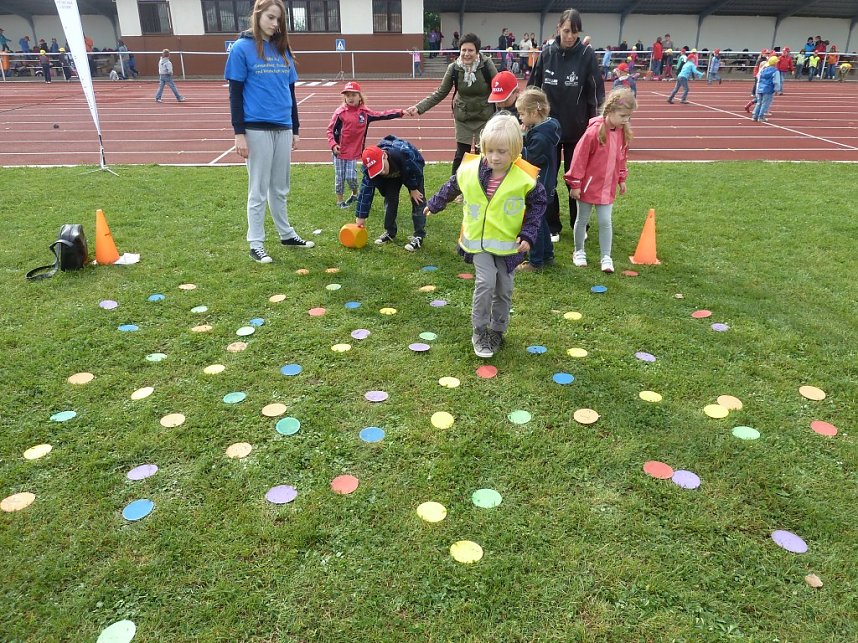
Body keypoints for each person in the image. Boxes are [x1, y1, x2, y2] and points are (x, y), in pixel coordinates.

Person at [423, 113, 546, 358]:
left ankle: (497, 330)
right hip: (477, 242)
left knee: (503, 288)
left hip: (508, 246)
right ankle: (479, 330)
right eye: (489, 150)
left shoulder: (524, 179)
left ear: (515, 151)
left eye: (501, 151)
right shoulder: (470, 169)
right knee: (486, 282)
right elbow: (453, 185)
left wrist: (529, 234)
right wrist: (436, 203)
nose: (494, 157)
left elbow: (539, 204)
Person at [225, 0, 314, 264]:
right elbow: (235, 94)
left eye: (279, 20)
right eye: (271, 18)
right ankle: (256, 242)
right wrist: (239, 133)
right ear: (258, 15)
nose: (275, 24)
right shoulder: (242, 49)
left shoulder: (282, 50)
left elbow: (291, 92)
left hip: (282, 127)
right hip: (256, 128)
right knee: (258, 189)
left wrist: (295, 128)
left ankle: (286, 234)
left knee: (280, 187)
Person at [527, 8, 604, 243]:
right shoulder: (547, 53)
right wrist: (529, 118)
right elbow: (533, 87)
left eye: (575, 32)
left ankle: (579, 222)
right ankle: (552, 225)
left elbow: (596, 92)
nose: (570, 36)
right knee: (547, 180)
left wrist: (597, 123)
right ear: (558, 28)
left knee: (575, 180)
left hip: (577, 131)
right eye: (567, 30)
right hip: (548, 131)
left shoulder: (587, 56)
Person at [564, 88, 636, 274]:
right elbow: (579, 159)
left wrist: (621, 178)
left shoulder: (622, 133)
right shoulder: (593, 132)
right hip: (587, 188)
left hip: (607, 188)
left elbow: (621, 157)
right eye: (623, 116)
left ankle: (606, 256)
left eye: (628, 117)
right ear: (610, 110)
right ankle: (579, 251)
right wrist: (576, 183)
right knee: (582, 220)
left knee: (605, 221)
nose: (625, 120)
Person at [406, 33, 497, 176]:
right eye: (464, 50)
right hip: (463, 116)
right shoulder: (454, 68)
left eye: (470, 50)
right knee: (462, 154)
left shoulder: (486, 65)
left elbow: (499, 88)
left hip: (485, 116)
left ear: (477, 52)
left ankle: (483, 185)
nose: (466, 54)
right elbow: (440, 92)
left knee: (484, 154)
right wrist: (419, 107)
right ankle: (455, 188)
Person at [326, 80, 404, 209]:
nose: (350, 98)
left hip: (354, 152)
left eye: (353, 95)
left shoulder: (365, 113)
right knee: (339, 177)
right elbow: (330, 130)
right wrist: (334, 144)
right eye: (348, 95)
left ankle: (354, 194)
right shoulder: (340, 113)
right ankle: (340, 201)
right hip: (339, 152)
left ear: (359, 96)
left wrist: (400, 112)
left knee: (351, 177)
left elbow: (382, 115)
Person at [354, 135, 427, 251]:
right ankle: (390, 232)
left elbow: (416, 168)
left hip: (409, 171)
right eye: (377, 170)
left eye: (381, 167)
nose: (381, 172)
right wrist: (360, 216)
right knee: (390, 200)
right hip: (393, 176)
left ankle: (419, 235)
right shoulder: (369, 169)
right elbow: (365, 193)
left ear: (384, 156)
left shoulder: (405, 153)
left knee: (418, 201)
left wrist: (413, 188)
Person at [515, 87, 560, 272]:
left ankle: (536, 261)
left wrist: (522, 137)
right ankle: (547, 255)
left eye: (522, 113)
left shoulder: (540, 137)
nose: (520, 118)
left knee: (535, 223)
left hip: (540, 184)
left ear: (534, 112)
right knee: (541, 221)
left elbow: (528, 158)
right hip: (546, 182)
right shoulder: (549, 126)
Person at [753, 56, 782, 122]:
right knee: (765, 103)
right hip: (768, 88)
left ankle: (755, 116)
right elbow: (776, 81)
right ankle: (761, 117)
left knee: (759, 103)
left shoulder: (764, 69)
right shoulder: (775, 71)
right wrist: (777, 90)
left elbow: (759, 78)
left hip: (760, 87)